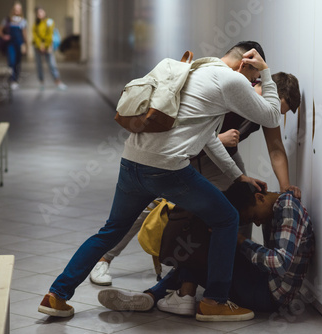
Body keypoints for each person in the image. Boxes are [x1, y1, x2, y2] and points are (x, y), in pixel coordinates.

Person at [38, 41, 281, 320]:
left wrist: (238, 176)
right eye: (253, 79)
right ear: (245, 64)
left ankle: (57, 294)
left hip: (132, 162)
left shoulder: (194, 69)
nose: (252, 84)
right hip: (168, 169)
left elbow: (209, 139)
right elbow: (272, 115)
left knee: (111, 230)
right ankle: (215, 301)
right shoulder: (230, 79)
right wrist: (267, 72)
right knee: (227, 218)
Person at [89, 72, 302, 286]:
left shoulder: (268, 110)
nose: (273, 116)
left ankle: (230, 270)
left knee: (242, 202)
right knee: (149, 203)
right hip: (186, 151)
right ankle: (104, 258)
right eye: (276, 108)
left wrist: (285, 189)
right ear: (267, 91)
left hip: (222, 157)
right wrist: (218, 139)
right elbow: (185, 125)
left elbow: (275, 148)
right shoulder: (234, 91)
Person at [98, 182, 315, 320]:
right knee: (207, 244)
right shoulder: (276, 207)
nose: (257, 224)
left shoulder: (286, 206)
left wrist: (240, 241)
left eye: (253, 217)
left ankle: (167, 295)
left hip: (270, 295)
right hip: (264, 285)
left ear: (260, 198)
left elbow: (279, 263)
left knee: (207, 244)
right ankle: (158, 296)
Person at [32, 7, 66, 90]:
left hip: (48, 47)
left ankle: (57, 81)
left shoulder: (49, 22)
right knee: (39, 65)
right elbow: (35, 36)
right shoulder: (35, 24)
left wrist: (46, 45)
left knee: (52, 64)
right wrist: (40, 46)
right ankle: (41, 82)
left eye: (41, 12)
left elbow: (50, 34)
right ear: (36, 15)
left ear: (45, 13)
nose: (40, 14)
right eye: (38, 13)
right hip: (37, 47)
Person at [0, 1, 28, 89]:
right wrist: (4, 36)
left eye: (19, 9)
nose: (17, 11)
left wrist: (26, 45)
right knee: (11, 61)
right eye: (15, 9)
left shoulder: (23, 21)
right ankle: (11, 79)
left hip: (19, 43)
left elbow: (24, 34)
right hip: (11, 44)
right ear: (13, 10)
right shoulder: (7, 20)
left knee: (18, 62)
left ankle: (16, 79)